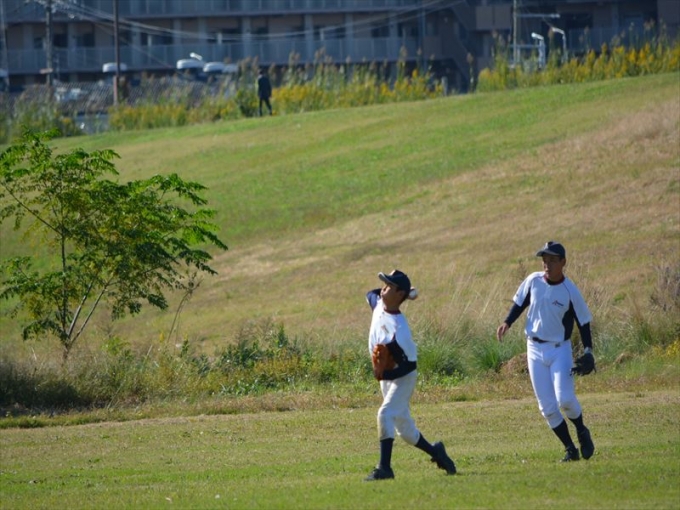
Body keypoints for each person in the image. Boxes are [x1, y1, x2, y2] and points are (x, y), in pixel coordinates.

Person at [496, 241, 596, 462]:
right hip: (534, 349)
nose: (547, 264)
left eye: (552, 260)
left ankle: (581, 430)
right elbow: (520, 303)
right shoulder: (533, 281)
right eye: (544, 260)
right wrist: (507, 322)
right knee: (547, 407)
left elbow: (584, 322)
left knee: (565, 399)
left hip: (560, 350)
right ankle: (570, 449)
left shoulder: (570, 290)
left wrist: (589, 351)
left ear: (563, 262)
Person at [364, 269, 457, 481]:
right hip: (387, 379)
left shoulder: (400, 330)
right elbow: (370, 293)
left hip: (403, 379)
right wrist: (407, 294)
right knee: (405, 430)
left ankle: (384, 468)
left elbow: (410, 365)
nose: (383, 289)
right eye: (384, 284)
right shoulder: (378, 304)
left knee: (385, 414)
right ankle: (436, 452)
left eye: (389, 286)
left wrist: (386, 373)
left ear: (398, 294)